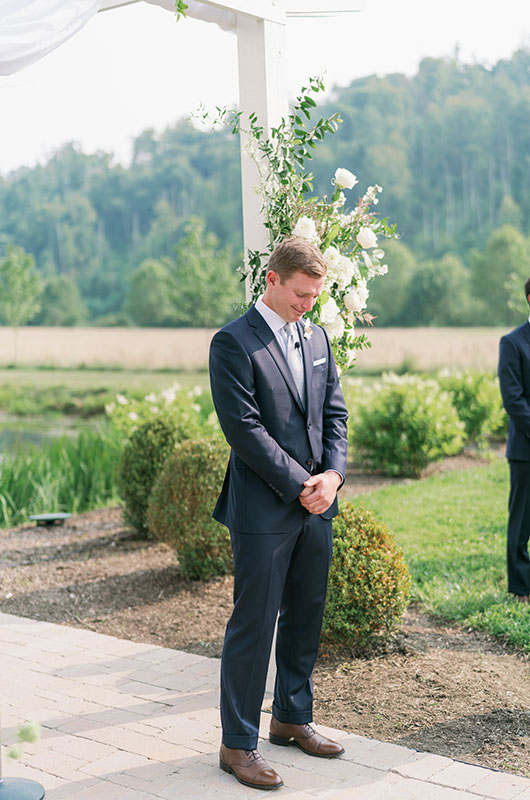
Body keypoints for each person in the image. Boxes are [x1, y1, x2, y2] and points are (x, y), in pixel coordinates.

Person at [209, 236, 349, 790]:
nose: (307, 305)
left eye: (315, 296)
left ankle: (291, 717)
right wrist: (301, 486)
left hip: (319, 504)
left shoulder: (316, 337)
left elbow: (335, 412)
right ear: (272, 280)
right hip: (266, 508)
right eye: (300, 294)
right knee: (254, 624)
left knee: (306, 614)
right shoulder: (232, 343)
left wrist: (333, 477)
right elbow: (244, 430)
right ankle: (236, 745)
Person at [498, 276, 530, 603]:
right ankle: (522, 587)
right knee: (522, 521)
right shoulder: (513, 342)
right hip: (526, 450)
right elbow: (514, 400)